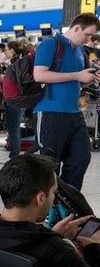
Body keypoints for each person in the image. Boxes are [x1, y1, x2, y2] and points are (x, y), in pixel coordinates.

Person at [0, 154, 100, 267]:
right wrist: (93, 248)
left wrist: (52, 235)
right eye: (54, 193)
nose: (53, 198)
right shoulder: (57, 252)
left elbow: (22, 238)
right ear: (40, 198)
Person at [32, 12, 100, 190]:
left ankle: (66, 203)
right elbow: (39, 75)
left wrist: (88, 79)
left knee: (81, 158)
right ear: (77, 28)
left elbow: (76, 81)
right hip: (50, 113)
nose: (89, 39)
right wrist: (78, 75)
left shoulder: (79, 50)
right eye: (87, 34)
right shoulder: (50, 44)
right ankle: (47, 209)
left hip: (74, 114)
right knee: (49, 165)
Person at [3, 40, 31, 159]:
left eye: (6, 50)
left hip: (15, 99)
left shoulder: (16, 64)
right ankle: (14, 153)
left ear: (12, 50)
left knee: (13, 128)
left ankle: (14, 156)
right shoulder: (25, 62)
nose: (5, 53)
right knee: (15, 127)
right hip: (22, 99)